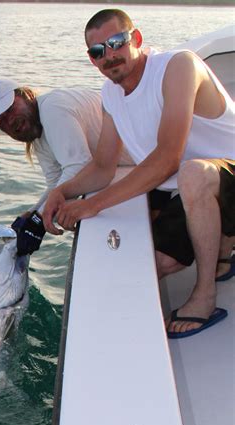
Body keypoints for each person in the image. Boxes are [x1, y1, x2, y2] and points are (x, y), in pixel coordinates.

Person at [42, 9, 235, 339]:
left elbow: (167, 159)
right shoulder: (111, 95)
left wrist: (93, 205)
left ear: (137, 39)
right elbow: (104, 167)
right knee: (150, 264)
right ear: (92, 59)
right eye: (98, 51)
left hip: (222, 174)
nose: (109, 55)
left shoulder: (177, 67)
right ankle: (224, 249)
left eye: (117, 42)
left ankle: (205, 293)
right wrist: (62, 192)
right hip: (194, 188)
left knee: (190, 173)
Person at [0, 79, 132, 255]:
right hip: (125, 166)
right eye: (2, 123)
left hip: (143, 162)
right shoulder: (37, 136)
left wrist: (38, 222)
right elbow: (56, 184)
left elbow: (79, 167)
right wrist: (30, 215)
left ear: (25, 95)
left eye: (10, 109)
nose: (10, 122)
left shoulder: (53, 108)